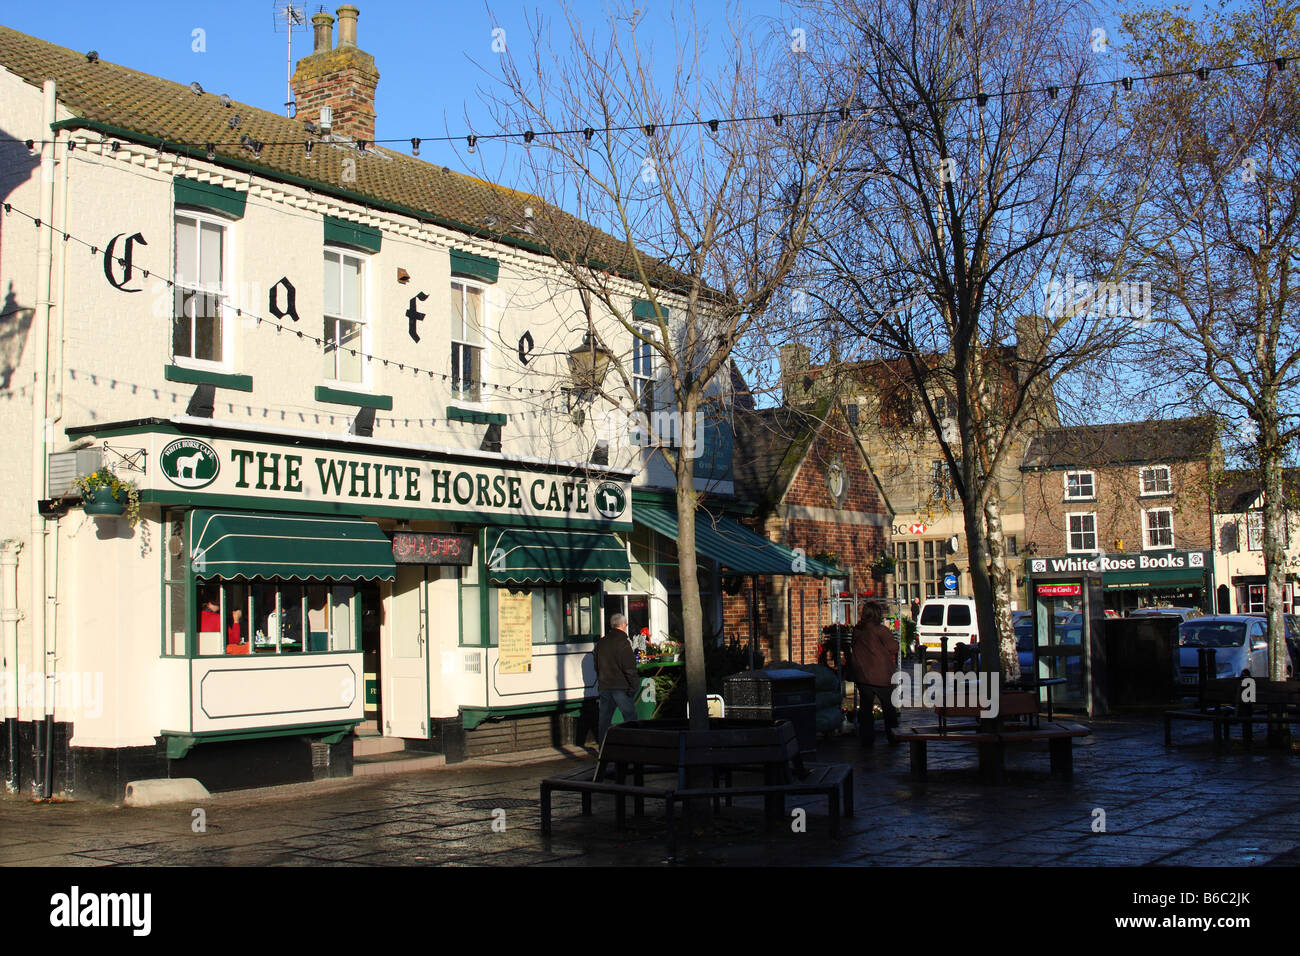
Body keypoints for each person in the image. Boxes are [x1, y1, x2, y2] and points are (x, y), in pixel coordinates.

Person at [847, 600, 900, 745]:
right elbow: (893, 647)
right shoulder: (880, 630)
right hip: (881, 675)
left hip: (863, 675)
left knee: (866, 709)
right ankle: (893, 737)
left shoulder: (858, 630)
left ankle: (867, 739)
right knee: (889, 709)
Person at [594, 612, 639, 748]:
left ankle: (603, 749)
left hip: (605, 685)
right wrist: (634, 685)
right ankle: (632, 746)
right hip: (621, 686)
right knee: (630, 718)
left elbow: (596, 665)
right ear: (623, 625)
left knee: (604, 720)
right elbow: (629, 667)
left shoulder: (601, 642)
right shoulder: (623, 643)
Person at [199, 587, 245, 655]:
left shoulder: (195, 617)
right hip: (215, 656)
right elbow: (234, 641)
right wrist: (236, 620)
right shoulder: (218, 619)